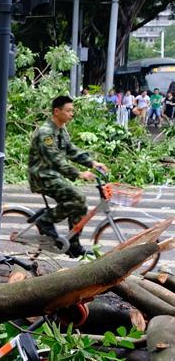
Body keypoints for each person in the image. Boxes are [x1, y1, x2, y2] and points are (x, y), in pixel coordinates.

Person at [28, 96, 108, 257]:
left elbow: (71, 150)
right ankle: (44, 220)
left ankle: (73, 244)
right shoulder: (46, 133)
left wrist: (92, 163)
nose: (72, 113)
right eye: (68, 110)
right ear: (56, 111)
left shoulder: (61, 129)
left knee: (80, 204)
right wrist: (79, 174)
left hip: (53, 175)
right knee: (77, 198)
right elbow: (56, 159)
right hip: (42, 176)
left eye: (72, 110)